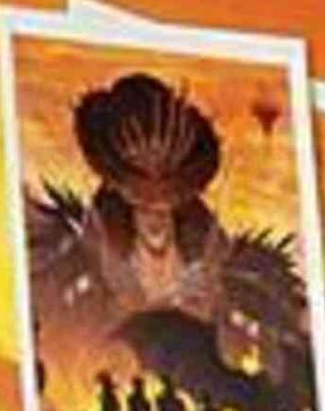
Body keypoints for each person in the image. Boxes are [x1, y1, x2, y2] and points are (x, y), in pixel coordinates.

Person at [72, 73, 231, 323]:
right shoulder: (101, 235)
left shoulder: (205, 238)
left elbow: (222, 301)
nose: (155, 219)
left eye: (164, 206)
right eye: (144, 204)